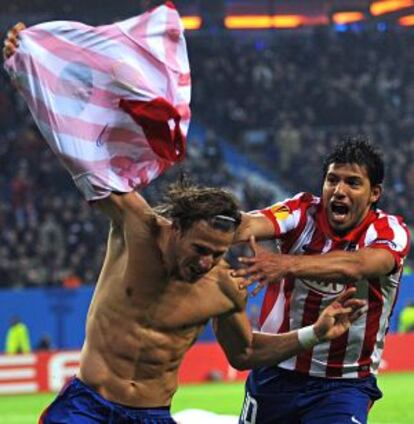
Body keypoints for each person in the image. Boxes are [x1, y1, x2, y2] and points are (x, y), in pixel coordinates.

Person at [4, 11, 365, 424]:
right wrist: (29, 70)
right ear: (175, 228)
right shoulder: (135, 228)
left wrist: (314, 333)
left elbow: (244, 354)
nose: (207, 261)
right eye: (200, 249)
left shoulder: (223, 291)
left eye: (216, 253)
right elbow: (79, 154)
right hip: (88, 406)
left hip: (153, 415)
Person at [233, 137, 411, 424]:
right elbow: (251, 224)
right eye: (332, 180)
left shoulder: (389, 231)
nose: (339, 191)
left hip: (343, 383)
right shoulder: (300, 211)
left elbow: (359, 265)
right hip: (275, 371)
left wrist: (285, 264)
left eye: (353, 183)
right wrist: (215, 225)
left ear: (374, 193)